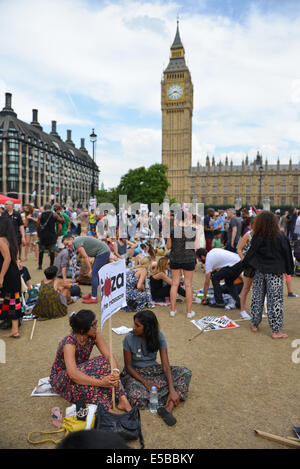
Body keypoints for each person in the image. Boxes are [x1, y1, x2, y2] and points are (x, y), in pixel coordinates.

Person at [50, 309, 132, 412]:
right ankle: (106, 408)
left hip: (81, 370)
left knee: (106, 364)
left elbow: (108, 356)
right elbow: (73, 374)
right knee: (86, 384)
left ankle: (122, 399)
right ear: (82, 330)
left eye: (96, 323)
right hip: (63, 377)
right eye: (93, 324)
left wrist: (115, 371)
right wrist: (101, 382)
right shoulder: (69, 343)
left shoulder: (95, 336)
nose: (96, 326)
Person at [121, 310, 192, 426]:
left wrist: (172, 389)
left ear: (147, 328)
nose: (133, 327)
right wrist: (146, 383)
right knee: (134, 396)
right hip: (136, 374)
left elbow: (165, 366)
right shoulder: (128, 338)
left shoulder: (159, 337)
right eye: (134, 324)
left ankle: (168, 407)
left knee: (185, 373)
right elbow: (128, 367)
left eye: (137, 325)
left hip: (154, 370)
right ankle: (169, 396)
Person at [243, 211, 294, 339]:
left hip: (260, 271)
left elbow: (250, 254)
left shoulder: (257, 236)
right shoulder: (281, 237)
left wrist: (244, 266)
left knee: (257, 297)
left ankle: (255, 325)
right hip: (275, 273)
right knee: (275, 301)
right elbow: (287, 255)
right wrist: (289, 270)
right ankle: (275, 331)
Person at [166, 211, 200, 318]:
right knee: (188, 285)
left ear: (177, 218)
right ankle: (189, 312)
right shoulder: (193, 230)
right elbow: (194, 246)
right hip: (188, 258)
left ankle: (172, 310)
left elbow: (168, 247)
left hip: (175, 258)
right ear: (187, 219)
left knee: (175, 284)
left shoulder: (172, 230)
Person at [62, 235, 115, 304]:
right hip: (102, 252)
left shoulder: (76, 242)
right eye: (65, 245)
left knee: (93, 274)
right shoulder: (76, 241)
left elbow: (85, 257)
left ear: (71, 239)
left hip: (103, 253)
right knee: (94, 274)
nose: (67, 246)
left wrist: (90, 269)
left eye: (67, 243)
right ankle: (93, 293)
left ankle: (94, 297)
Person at [0, 217, 23, 337]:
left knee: (10, 299)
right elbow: (15, 257)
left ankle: (14, 329)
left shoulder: (1, 240)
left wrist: (1, 276)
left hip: (8, 273)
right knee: (13, 300)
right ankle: (14, 329)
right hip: (13, 273)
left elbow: (7, 259)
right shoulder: (12, 239)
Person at [36, 203, 65, 270]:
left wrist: (38, 234)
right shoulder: (54, 214)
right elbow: (62, 221)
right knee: (52, 251)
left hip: (43, 235)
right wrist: (61, 214)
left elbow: (37, 225)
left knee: (41, 251)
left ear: (44, 208)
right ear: (50, 208)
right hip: (51, 235)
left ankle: (40, 265)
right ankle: (51, 265)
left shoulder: (40, 215)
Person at [237, 217, 255, 320]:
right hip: (249, 265)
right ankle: (243, 310)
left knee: (259, 288)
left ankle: (255, 309)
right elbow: (239, 249)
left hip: (259, 265)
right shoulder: (248, 234)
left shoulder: (262, 235)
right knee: (246, 287)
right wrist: (244, 260)